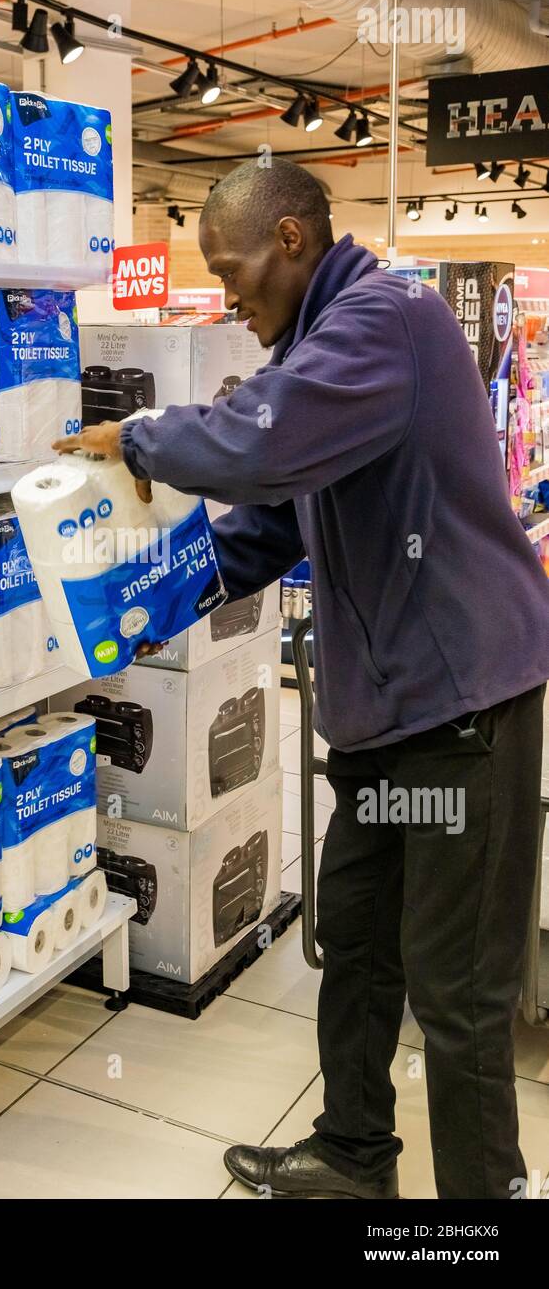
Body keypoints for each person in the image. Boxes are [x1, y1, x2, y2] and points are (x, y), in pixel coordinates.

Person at [54, 159, 549, 1201]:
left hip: (464, 709)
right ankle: (351, 1156)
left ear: (289, 240)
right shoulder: (329, 348)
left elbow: (261, 446)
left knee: (457, 995)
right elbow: (275, 521)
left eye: (232, 275)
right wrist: (156, 594)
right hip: (385, 719)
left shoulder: (390, 316)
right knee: (358, 948)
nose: (230, 304)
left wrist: (135, 438)